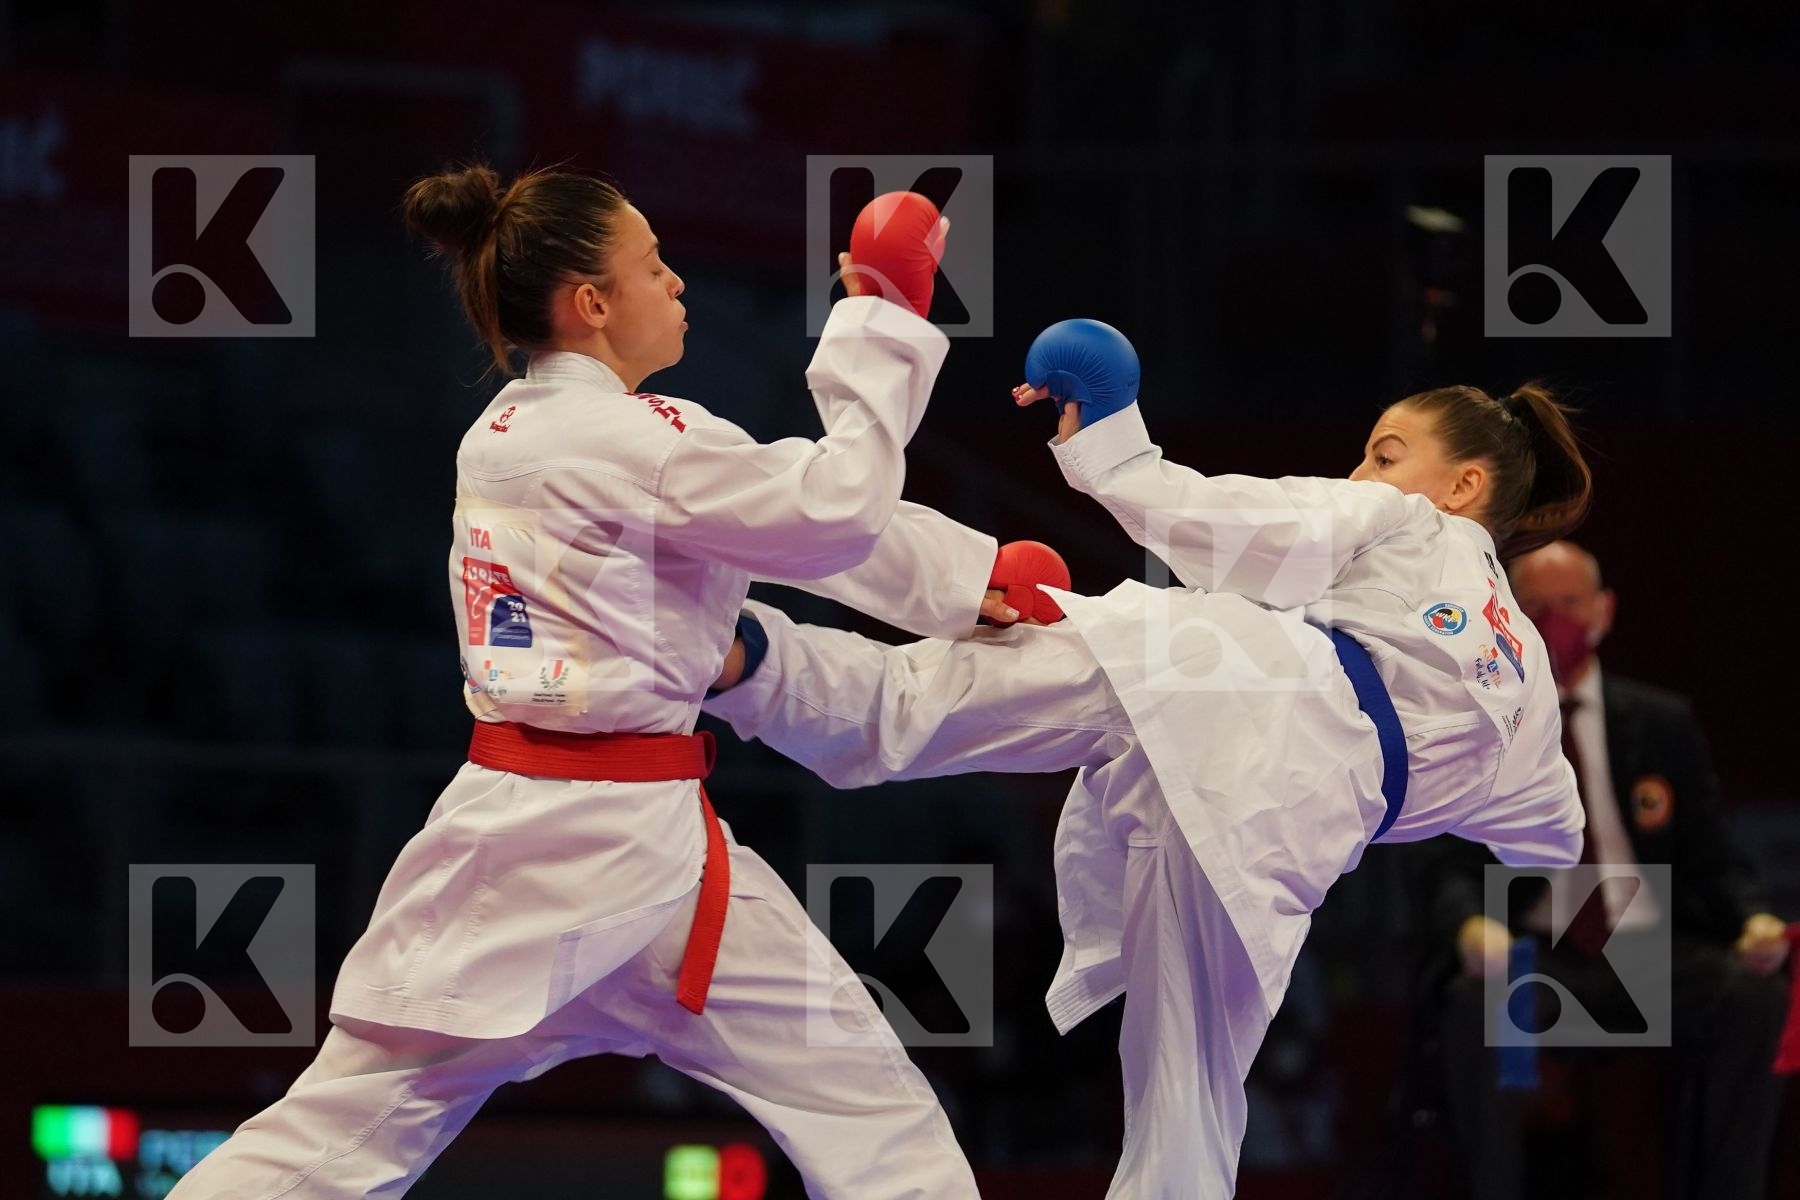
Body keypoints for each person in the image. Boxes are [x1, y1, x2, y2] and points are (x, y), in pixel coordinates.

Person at [170, 164, 1032, 1198]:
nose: (677, 285)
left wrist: (964, 583)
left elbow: (783, 515)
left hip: (638, 849)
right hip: (562, 846)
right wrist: (880, 318)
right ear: (590, 303)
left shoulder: (538, 432)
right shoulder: (622, 441)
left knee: (873, 1112)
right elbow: (826, 508)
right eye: (654, 266)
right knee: (339, 1133)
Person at [703, 326, 1595, 1199]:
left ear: (1462, 485)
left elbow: (1226, 519)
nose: (1363, 474)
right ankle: (746, 659)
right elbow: (1556, 836)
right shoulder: (1533, 690)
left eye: (1386, 455)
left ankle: (740, 654)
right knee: (1191, 1105)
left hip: (1228, 682)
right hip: (1291, 830)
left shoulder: (1400, 520)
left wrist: (1110, 443)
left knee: (931, 698)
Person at [1418, 539, 1791, 1200]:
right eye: (1537, 606)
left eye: (1571, 603)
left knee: (1753, 998)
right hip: (1535, 954)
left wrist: (1755, 918)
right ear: (1509, 617)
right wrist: (1471, 926)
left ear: (1604, 611)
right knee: (1473, 1007)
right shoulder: (1482, 722)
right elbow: (1446, 863)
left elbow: (1712, 856)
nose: (1557, 619)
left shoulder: (1659, 722)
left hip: (1646, 949)